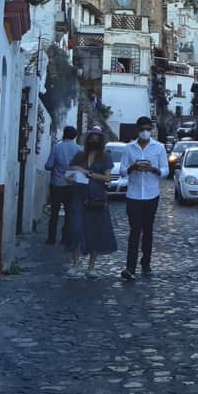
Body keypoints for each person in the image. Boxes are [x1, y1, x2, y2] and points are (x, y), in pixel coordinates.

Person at [119, 116, 169, 281]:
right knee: (134, 231)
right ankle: (130, 267)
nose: (145, 132)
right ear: (137, 130)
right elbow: (122, 171)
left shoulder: (159, 148)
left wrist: (153, 169)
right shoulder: (129, 148)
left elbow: (165, 170)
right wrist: (133, 167)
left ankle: (145, 263)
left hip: (151, 195)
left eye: (148, 129)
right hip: (133, 195)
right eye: (142, 129)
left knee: (147, 231)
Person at [65, 127, 117, 278]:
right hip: (78, 197)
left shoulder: (105, 157)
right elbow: (69, 173)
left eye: (97, 138)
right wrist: (70, 177)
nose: (94, 140)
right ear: (87, 140)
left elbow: (107, 178)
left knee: (95, 231)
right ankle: (75, 264)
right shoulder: (79, 156)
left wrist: (88, 173)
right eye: (92, 137)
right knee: (76, 229)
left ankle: (91, 267)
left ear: (101, 141)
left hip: (97, 198)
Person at [44, 126, 82, 246]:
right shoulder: (78, 149)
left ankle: (51, 238)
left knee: (54, 213)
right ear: (75, 136)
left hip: (57, 184)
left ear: (64, 134)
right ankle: (66, 238)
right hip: (71, 185)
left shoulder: (57, 147)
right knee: (69, 213)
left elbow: (49, 165)